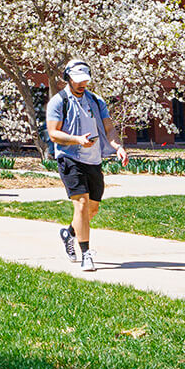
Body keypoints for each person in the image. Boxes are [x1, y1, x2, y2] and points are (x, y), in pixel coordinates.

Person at [45, 61, 129, 273]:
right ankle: (86, 254)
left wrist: (117, 146)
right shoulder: (58, 102)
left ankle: (69, 233)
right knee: (81, 204)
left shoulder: (95, 100)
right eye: (78, 80)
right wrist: (76, 140)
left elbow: (109, 128)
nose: (82, 84)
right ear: (68, 78)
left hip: (93, 159)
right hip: (69, 157)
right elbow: (53, 133)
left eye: (85, 80)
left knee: (92, 209)